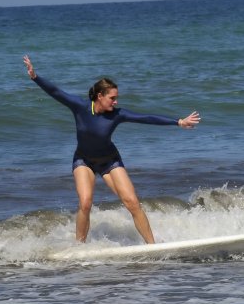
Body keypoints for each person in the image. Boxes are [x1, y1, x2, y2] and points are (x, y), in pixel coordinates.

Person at [23, 55, 201, 243]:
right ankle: (80, 247)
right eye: (112, 98)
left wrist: (178, 122)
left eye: (116, 98)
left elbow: (146, 117)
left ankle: (152, 245)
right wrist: (35, 77)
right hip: (84, 161)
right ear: (100, 96)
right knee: (85, 203)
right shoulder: (80, 107)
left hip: (110, 160)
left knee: (132, 202)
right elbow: (56, 92)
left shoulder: (117, 114)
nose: (115, 102)